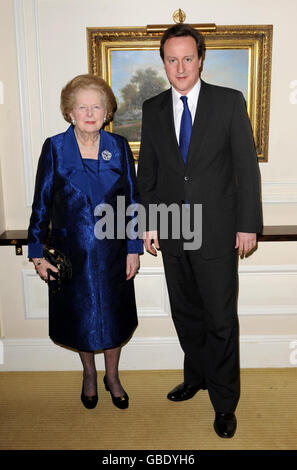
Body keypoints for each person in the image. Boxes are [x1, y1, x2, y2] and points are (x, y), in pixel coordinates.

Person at [137, 24, 262, 437]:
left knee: (221, 320)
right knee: (186, 315)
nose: (180, 66)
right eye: (171, 59)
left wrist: (247, 226)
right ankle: (197, 376)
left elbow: (246, 169)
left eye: (187, 58)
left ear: (201, 59)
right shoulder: (153, 108)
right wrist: (148, 222)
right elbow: (148, 174)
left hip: (218, 232)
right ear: (164, 63)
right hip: (173, 231)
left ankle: (224, 403)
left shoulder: (228, 102)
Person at [28, 74, 142, 410]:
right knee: (81, 319)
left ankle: (113, 376)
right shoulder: (55, 148)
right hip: (71, 254)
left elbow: (132, 203)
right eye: (82, 107)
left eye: (96, 106)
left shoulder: (119, 147)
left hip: (112, 253)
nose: (89, 113)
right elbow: (41, 204)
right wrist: (37, 254)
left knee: (113, 318)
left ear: (107, 112)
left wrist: (133, 248)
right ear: (70, 112)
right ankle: (89, 375)